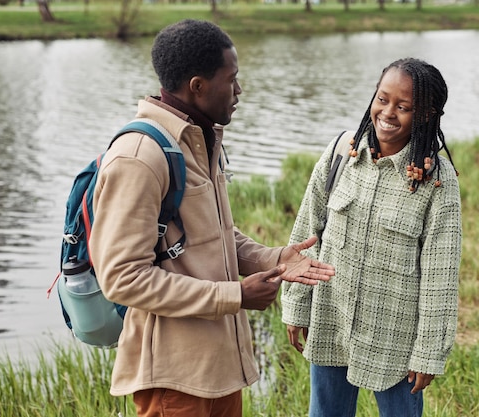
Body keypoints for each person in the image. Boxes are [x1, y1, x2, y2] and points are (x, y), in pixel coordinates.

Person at [89, 19, 335, 417]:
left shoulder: (199, 137)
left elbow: (216, 236)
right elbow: (122, 278)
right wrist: (235, 296)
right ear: (197, 86)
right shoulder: (140, 157)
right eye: (232, 79)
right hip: (173, 379)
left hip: (217, 371)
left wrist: (273, 259)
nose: (239, 91)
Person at [281, 57, 462, 417]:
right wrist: (297, 304)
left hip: (395, 336)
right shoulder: (340, 154)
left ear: (427, 114)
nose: (388, 112)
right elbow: (305, 234)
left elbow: (440, 276)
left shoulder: (436, 181)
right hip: (332, 317)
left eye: (404, 106)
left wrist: (429, 351)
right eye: (382, 98)